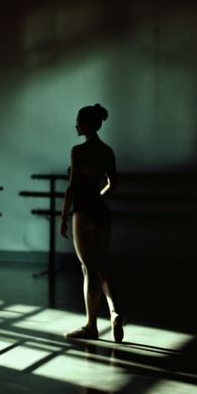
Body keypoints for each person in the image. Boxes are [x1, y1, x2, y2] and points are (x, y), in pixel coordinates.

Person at [60, 103, 123, 342]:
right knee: (101, 265)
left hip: (83, 212)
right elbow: (113, 184)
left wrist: (64, 216)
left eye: (78, 121)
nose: (75, 125)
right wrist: (99, 197)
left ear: (86, 125)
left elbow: (72, 187)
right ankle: (115, 312)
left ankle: (91, 325)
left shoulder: (78, 151)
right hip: (102, 212)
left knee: (88, 269)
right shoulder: (107, 151)